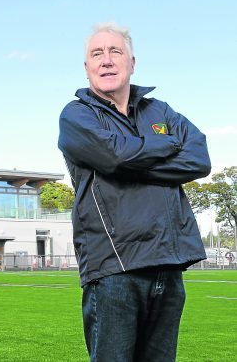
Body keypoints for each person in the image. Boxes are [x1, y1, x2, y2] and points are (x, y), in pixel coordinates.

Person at [58, 22, 211, 362]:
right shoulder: (76, 116)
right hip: (114, 269)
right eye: (97, 54)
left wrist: (130, 160)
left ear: (132, 63)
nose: (107, 60)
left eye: (116, 52)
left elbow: (199, 158)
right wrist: (168, 144)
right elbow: (114, 155)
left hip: (168, 265)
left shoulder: (161, 112)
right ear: (87, 68)